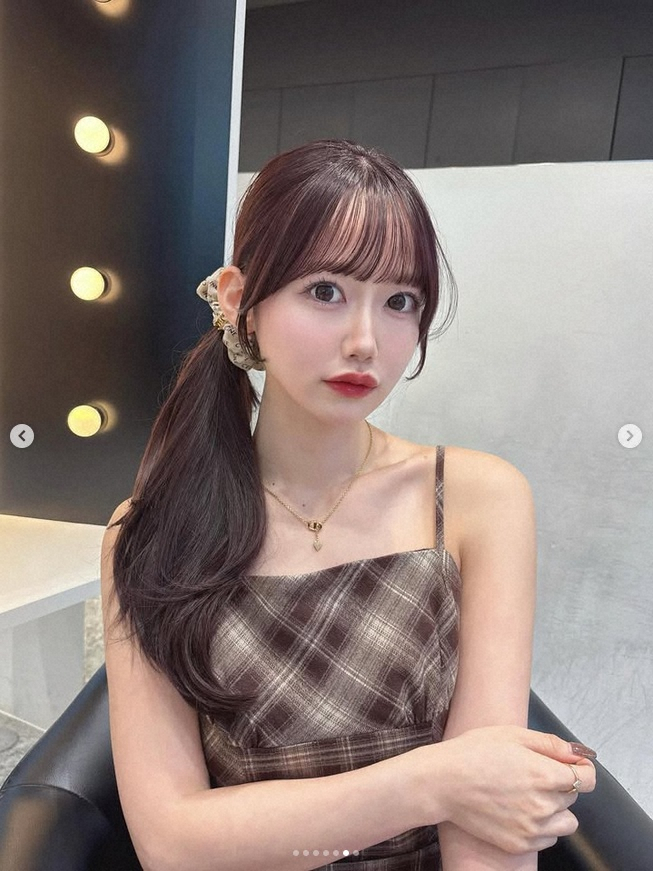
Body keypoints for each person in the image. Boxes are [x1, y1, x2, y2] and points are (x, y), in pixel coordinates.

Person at [101, 138, 596, 871]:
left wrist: (467, 786)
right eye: (325, 291)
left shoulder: (478, 499)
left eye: (399, 302)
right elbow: (173, 845)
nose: (365, 342)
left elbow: (490, 823)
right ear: (239, 301)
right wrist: (435, 781)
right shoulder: (150, 532)